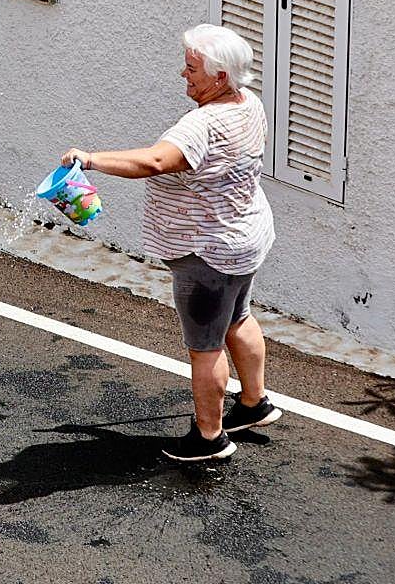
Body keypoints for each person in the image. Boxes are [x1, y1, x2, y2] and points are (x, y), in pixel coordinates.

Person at [62, 24, 283, 463]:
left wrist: (91, 160)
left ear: (220, 77)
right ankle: (255, 404)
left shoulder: (203, 124)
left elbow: (157, 161)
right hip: (246, 237)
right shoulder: (249, 104)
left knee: (206, 345)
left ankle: (208, 438)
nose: (184, 75)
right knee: (238, 316)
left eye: (192, 68)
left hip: (207, 252)